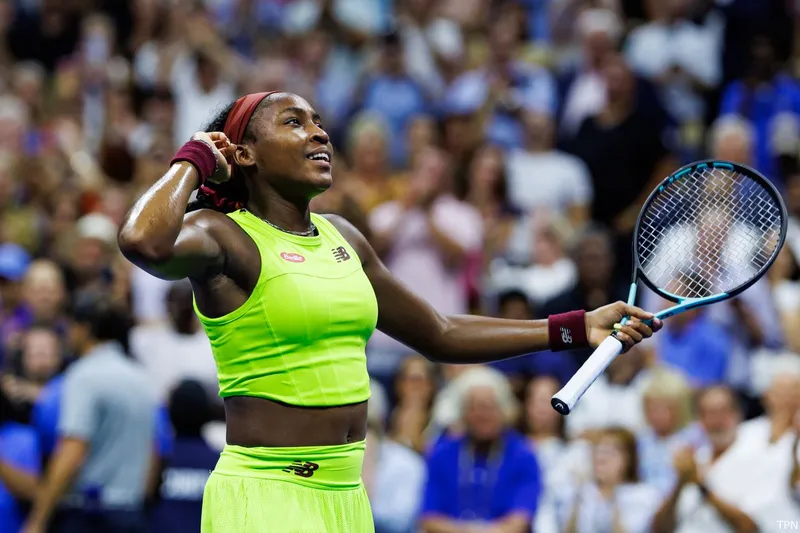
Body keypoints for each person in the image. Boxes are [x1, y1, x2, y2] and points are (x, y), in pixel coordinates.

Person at [116, 90, 661, 532]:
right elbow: (144, 241)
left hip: (348, 498)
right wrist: (194, 159)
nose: (319, 132)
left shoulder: (344, 237)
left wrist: (573, 328)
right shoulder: (222, 236)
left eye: (319, 121)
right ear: (244, 153)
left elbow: (440, 331)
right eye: (294, 123)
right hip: (266, 498)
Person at [23, 292, 158, 533]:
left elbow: (73, 450)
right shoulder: (141, 377)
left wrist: (38, 520)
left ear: (84, 329)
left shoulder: (83, 375)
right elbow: (153, 452)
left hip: (91, 517)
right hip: (131, 513)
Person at [420, 367, 542, 532]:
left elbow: (519, 522)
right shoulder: (442, 454)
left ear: (504, 409)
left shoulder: (523, 455)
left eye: (489, 407)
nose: (482, 415)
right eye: (475, 407)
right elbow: (428, 519)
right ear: (462, 412)